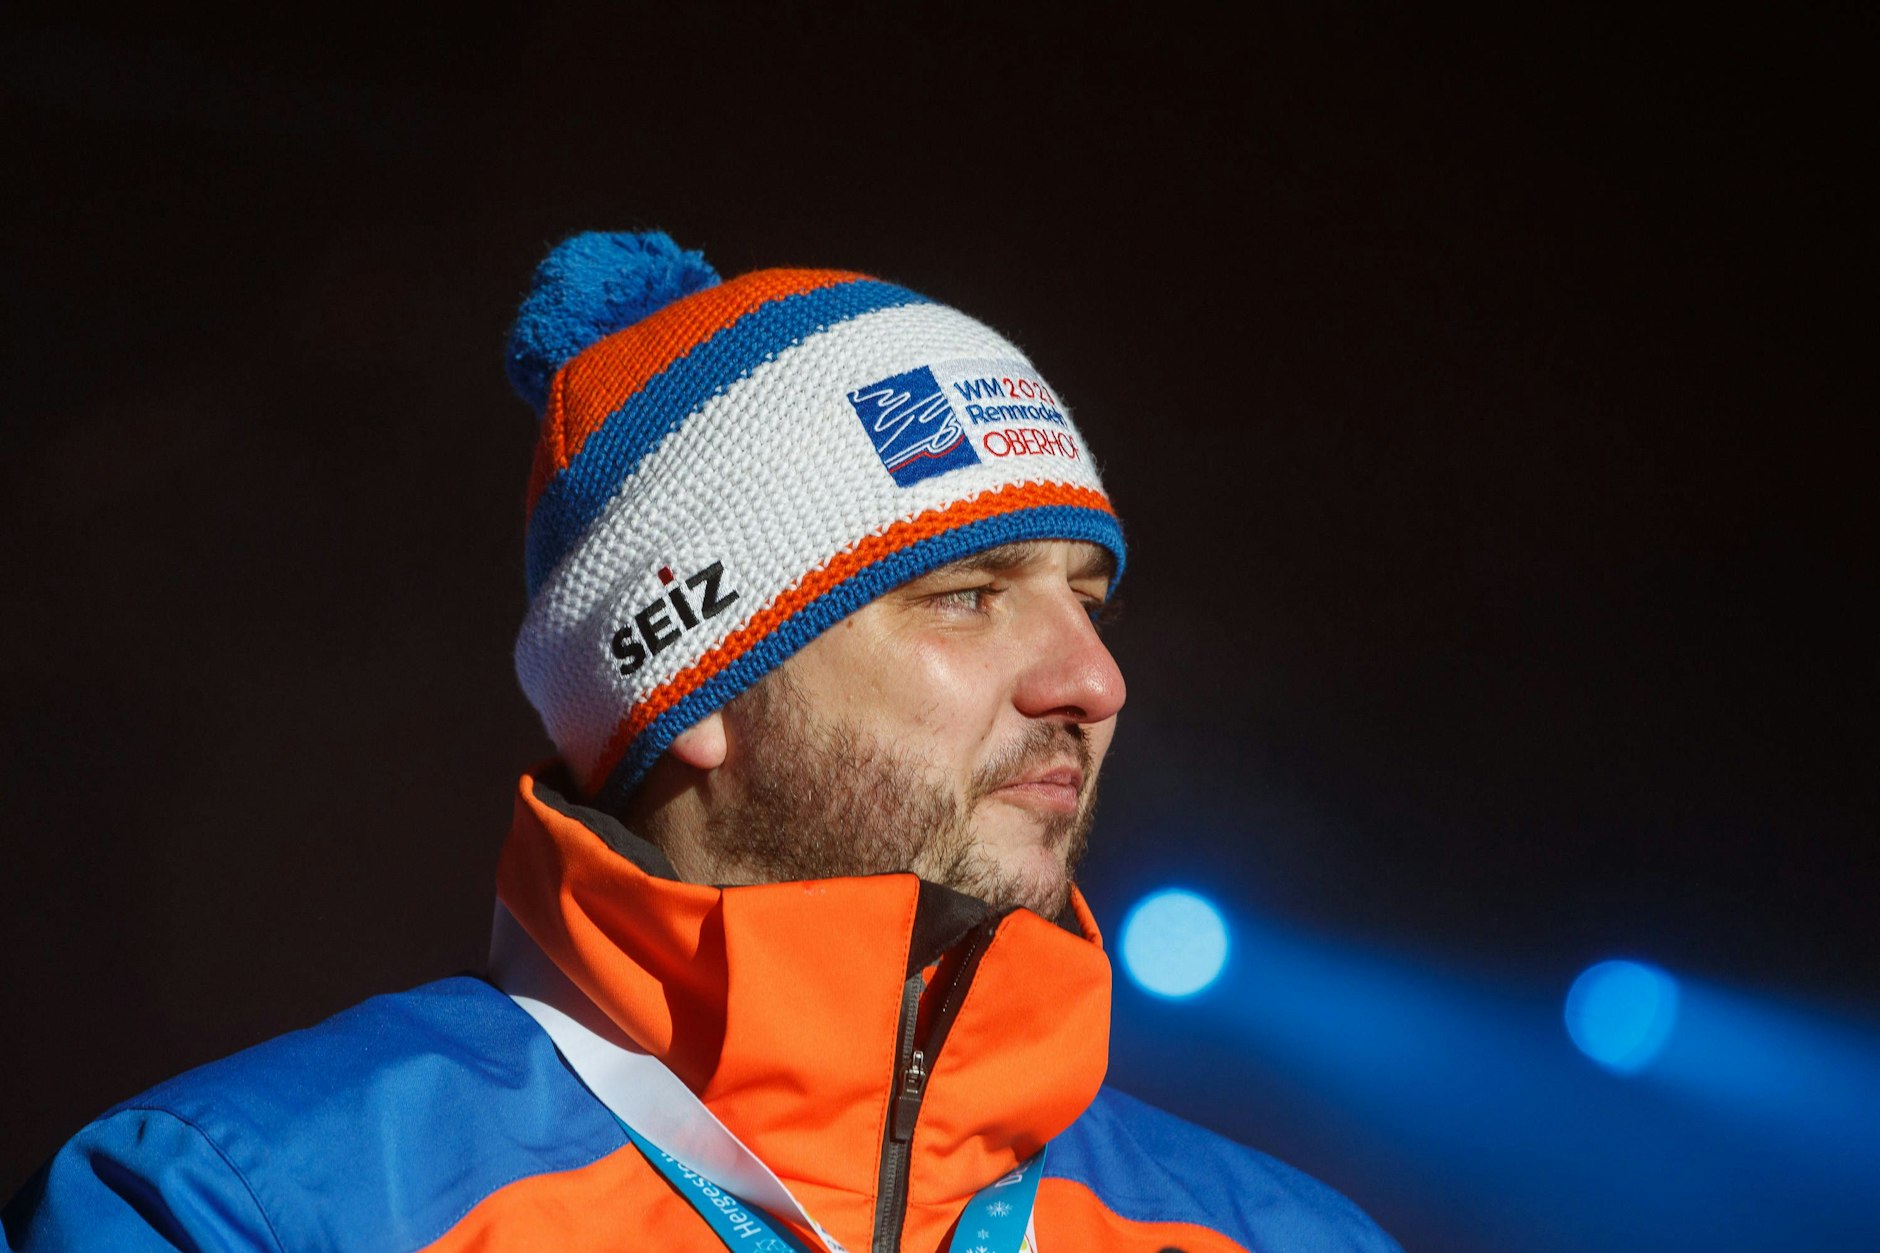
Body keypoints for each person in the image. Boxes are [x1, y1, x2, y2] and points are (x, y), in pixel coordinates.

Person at [3, 232, 1399, 1252]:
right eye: (967, 596)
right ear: (700, 685)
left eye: (1086, 600)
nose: (1093, 679)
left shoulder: (1282, 1239)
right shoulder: (245, 1211)